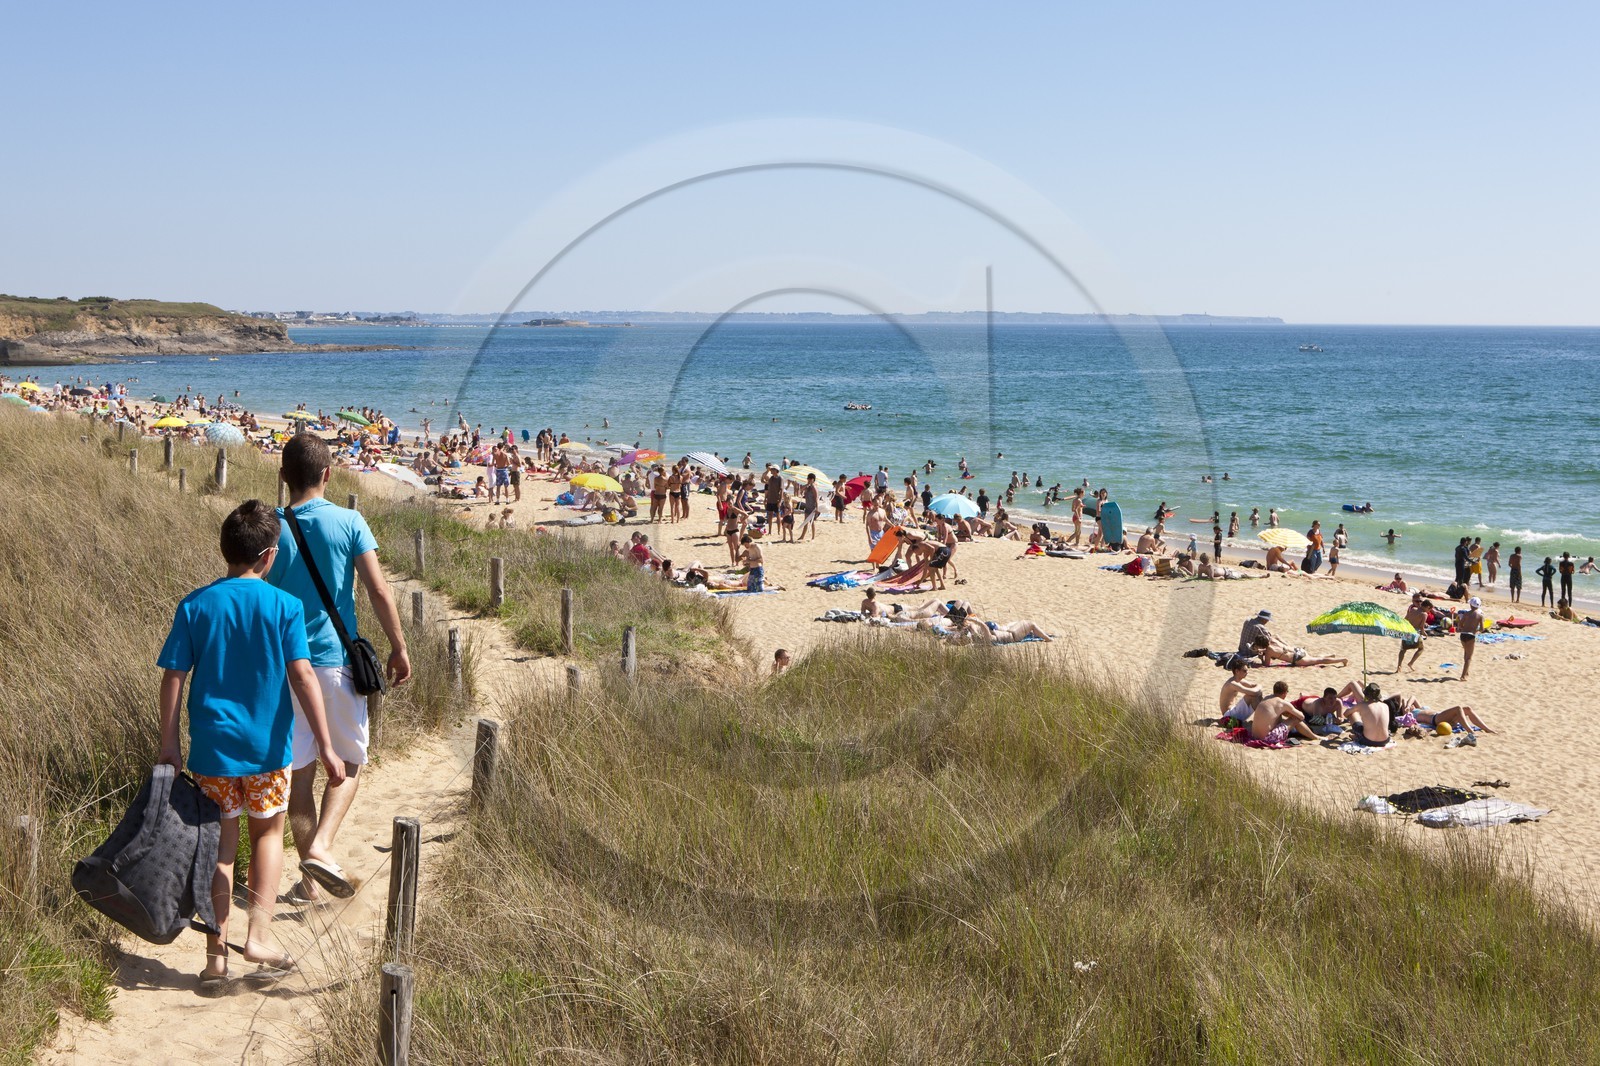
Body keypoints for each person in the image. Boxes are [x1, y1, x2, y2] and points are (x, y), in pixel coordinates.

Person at [157, 500, 346, 991]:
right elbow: (303, 677)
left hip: (213, 752)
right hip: (266, 752)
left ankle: (216, 958)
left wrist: (169, 742)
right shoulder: (286, 606)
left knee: (220, 850)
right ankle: (258, 937)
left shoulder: (196, 604)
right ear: (267, 556)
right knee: (266, 836)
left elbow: (174, 677)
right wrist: (325, 745)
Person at [271, 434, 411, 904]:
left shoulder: (271, 528)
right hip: (334, 662)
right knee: (348, 761)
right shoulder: (349, 520)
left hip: (286, 666)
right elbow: (378, 590)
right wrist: (398, 646)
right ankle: (322, 847)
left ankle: (310, 880)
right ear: (327, 474)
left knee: (301, 773)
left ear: (283, 476)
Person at [1248, 681, 1319, 743]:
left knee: (1281, 717)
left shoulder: (1267, 698)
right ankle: (1315, 737)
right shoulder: (1282, 703)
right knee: (1295, 719)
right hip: (1267, 739)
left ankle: (1312, 735)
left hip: (1254, 736)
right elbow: (1301, 717)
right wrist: (1290, 713)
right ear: (1285, 693)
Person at [1398, 594, 1429, 672]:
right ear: (1413, 601)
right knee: (1421, 648)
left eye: (1421, 601)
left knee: (1403, 649)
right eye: (1417, 601)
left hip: (1408, 631)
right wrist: (1424, 632)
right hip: (1413, 632)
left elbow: (1407, 619)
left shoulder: (1415, 609)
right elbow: (1407, 619)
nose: (1419, 603)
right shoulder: (1413, 609)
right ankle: (1409, 663)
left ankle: (1399, 666)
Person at [1457, 597, 1484, 680]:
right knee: (1469, 657)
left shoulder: (1466, 614)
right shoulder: (1480, 615)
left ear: (1470, 605)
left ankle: (1466, 671)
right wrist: (1475, 630)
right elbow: (1482, 629)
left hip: (1463, 635)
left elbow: (1460, 625)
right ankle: (1463, 676)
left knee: (1466, 653)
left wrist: (1465, 628)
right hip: (1471, 635)